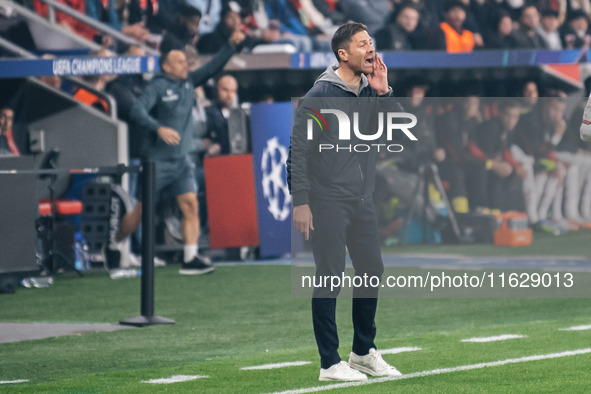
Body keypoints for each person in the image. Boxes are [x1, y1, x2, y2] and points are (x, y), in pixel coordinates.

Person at [287, 22, 402, 382]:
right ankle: (329, 363)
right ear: (343, 54)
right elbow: (299, 151)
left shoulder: (370, 90)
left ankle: (363, 352)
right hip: (326, 200)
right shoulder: (320, 94)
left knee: (372, 270)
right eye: (362, 44)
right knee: (330, 276)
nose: (371, 50)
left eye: (371, 43)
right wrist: (301, 201)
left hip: (361, 199)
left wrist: (383, 93)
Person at [115, 31, 245, 275]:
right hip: (157, 162)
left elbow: (213, 67)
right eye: (179, 62)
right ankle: (114, 242)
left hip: (181, 161)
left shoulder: (188, 83)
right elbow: (137, 112)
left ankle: (190, 257)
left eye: (186, 62)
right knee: (140, 213)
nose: (185, 65)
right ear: (166, 66)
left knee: (191, 206)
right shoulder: (156, 87)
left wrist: (230, 45)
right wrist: (159, 128)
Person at [203, 74, 239, 156]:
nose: (229, 95)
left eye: (233, 91)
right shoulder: (207, 112)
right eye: (225, 90)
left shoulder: (242, 116)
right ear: (216, 90)